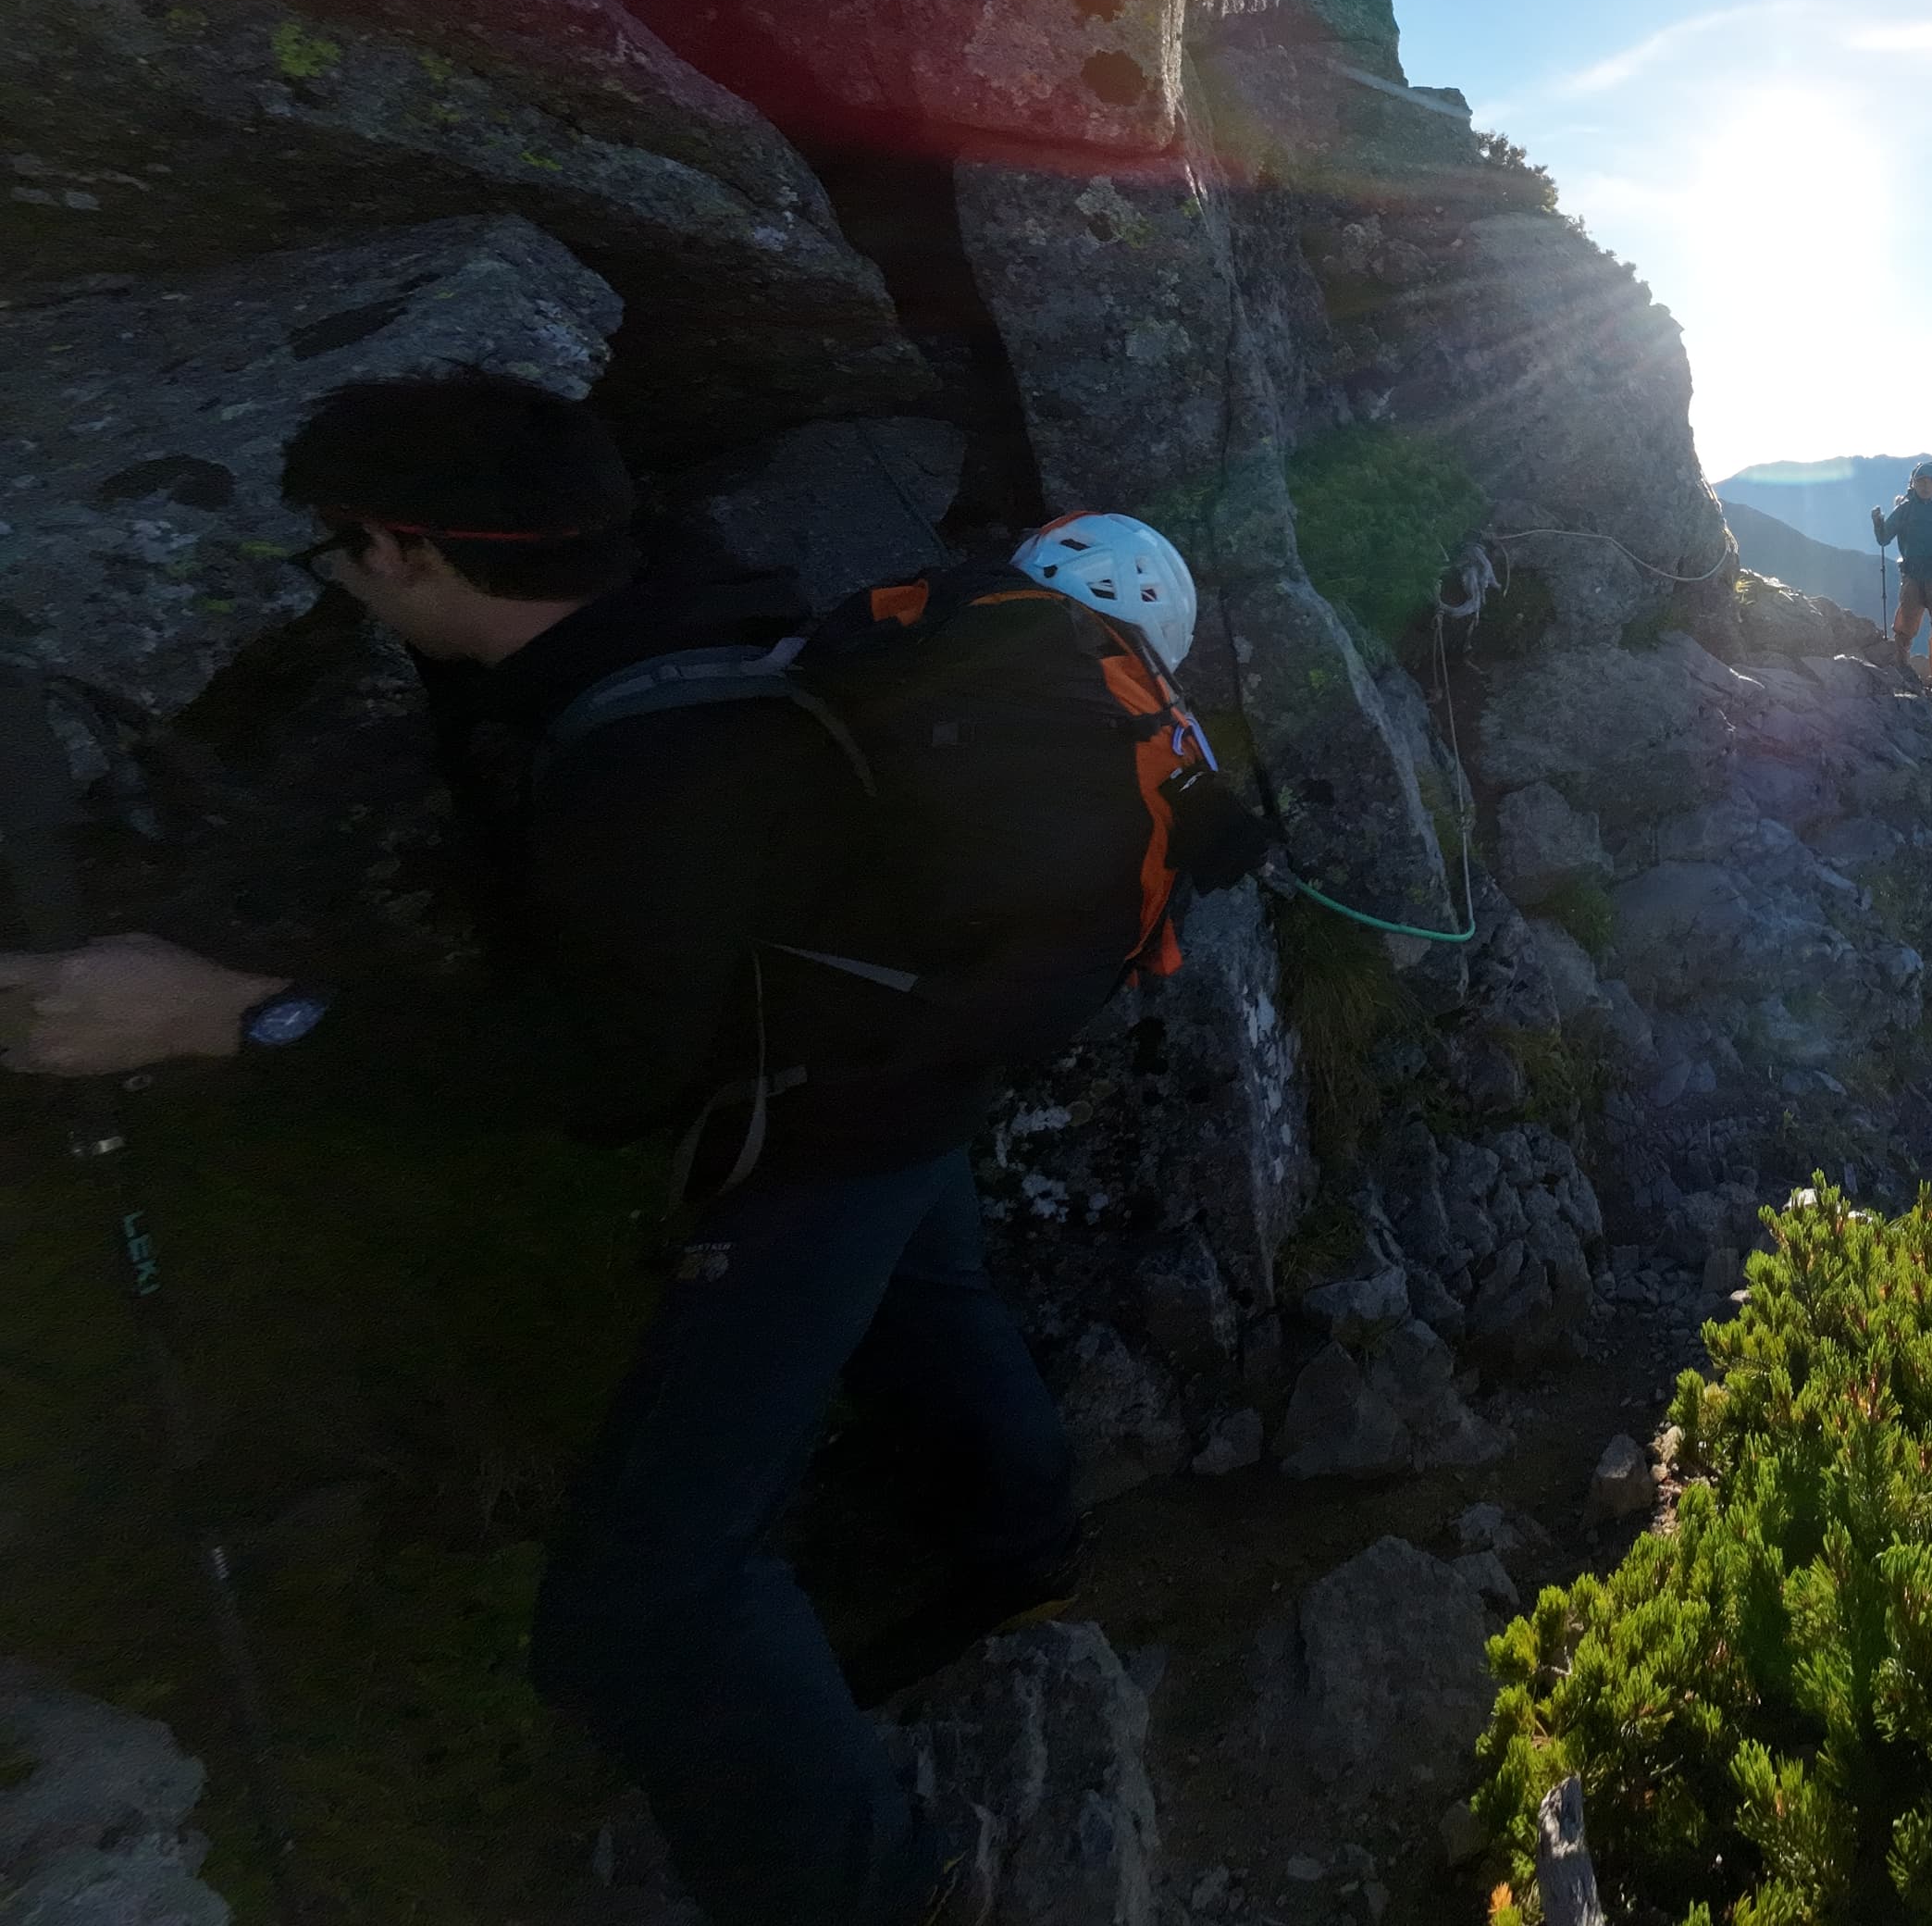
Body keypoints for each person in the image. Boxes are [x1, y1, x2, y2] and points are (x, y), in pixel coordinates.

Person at [0, 374, 1238, 1926]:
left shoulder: (647, 753)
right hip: (915, 1056)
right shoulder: (696, 602)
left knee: (651, 1600)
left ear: (405, 552)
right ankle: (1019, 1546)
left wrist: (231, 1016)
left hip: (822, 1122)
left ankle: (869, 1894)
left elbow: (606, 1063)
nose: (328, 579)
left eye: (332, 550)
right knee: (932, 1298)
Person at [1872, 459, 1932, 690]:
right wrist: (1878, 523)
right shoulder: (1908, 509)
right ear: (1913, 484)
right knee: (1909, 623)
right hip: (1921, 577)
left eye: (1930, 482)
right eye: (1921, 482)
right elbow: (1884, 537)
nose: (1925, 486)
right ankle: (1911, 668)